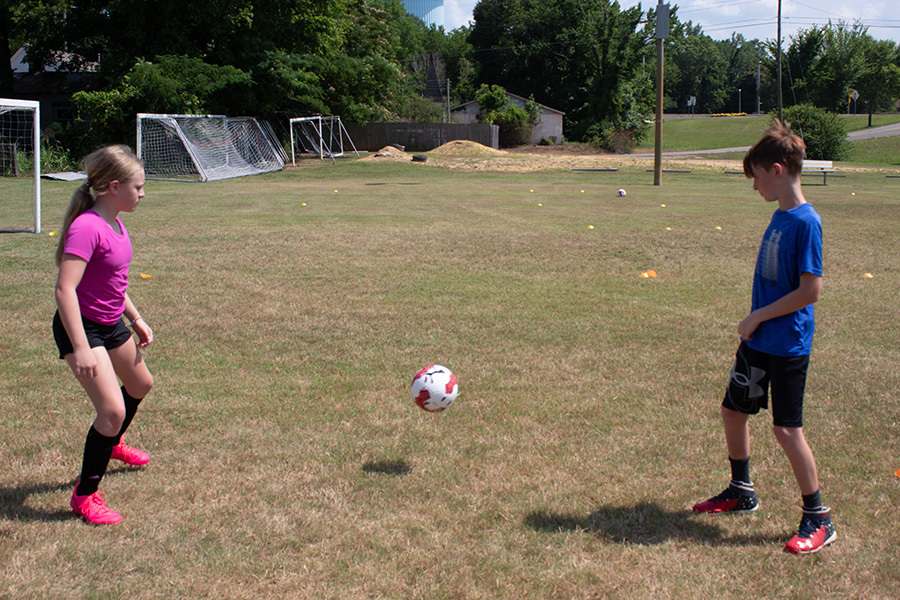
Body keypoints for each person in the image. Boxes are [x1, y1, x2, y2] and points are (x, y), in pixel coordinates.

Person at [691, 121, 835, 555]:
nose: (753, 186)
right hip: (758, 342)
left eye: (754, 176)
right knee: (733, 411)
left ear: (775, 170)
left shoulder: (806, 222)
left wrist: (757, 316)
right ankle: (742, 491)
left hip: (786, 345)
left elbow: (811, 290)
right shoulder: (779, 217)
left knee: (787, 431)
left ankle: (819, 519)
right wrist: (756, 324)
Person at [53, 145, 154, 525]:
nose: (142, 194)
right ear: (114, 187)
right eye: (138, 187)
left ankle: (112, 442)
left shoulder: (115, 222)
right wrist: (79, 347)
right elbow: (65, 290)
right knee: (111, 411)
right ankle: (85, 495)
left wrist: (136, 317)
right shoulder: (87, 227)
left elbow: (110, 282)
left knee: (140, 384)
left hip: (110, 322)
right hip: (81, 326)